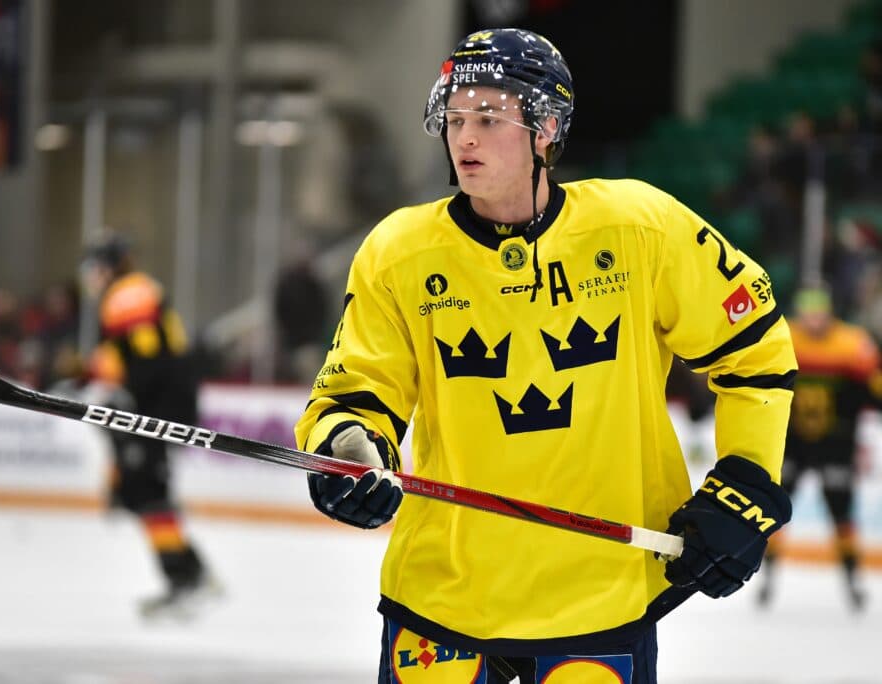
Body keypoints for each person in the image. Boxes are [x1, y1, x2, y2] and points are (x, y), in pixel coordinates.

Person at [293, 29, 797, 683]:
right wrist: (347, 448)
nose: (464, 137)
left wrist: (746, 483)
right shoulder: (399, 252)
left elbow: (756, 347)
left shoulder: (639, 229)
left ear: (547, 127)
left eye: (488, 118)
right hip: (442, 595)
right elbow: (355, 391)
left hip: (601, 599)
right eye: (455, 118)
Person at [81, 232, 219, 619]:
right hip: (161, 403)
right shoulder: (133, 290)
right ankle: (191, 573)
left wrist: (121, 399)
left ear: (109, 266)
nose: (90, 276)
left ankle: (187, 578)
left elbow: (148, 362)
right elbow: (134, 356)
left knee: (145, 492)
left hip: (160, 407)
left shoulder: (126, 295)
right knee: (142, 492)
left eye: (94, 267)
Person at [758, 286, 881, 612]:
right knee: (774, 511)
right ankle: (764, 576)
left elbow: (872, 388)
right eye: (808, 309)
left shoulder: (851, 342)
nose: (814, 317)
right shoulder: (787, 336)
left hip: (836, 443)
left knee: (842, 513)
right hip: (792, 442)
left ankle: (852, 580)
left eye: (819, 308)